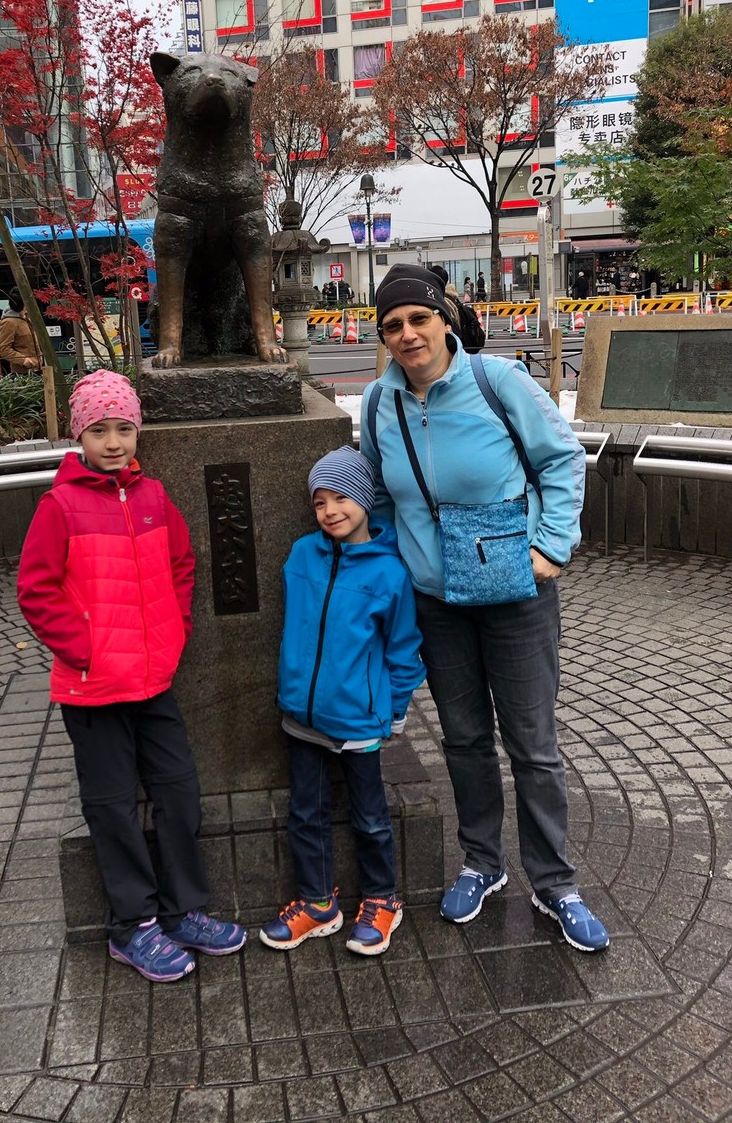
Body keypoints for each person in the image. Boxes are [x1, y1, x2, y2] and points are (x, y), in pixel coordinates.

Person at [360, 263, 609, 952]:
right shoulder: (381, 406)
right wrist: (392, 564)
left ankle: (555, 882)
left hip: (516, 593)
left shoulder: (497, 384)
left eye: (418, 319)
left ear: (444, 320)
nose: (408, 334)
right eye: (393, 326)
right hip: (437, 602)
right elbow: (380, 496)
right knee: (464, 739)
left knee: (532, 745)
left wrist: (553, 547)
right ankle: (482, 863)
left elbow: (562, 460)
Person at [17, 369, 247, 982]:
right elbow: (36, 590)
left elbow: (182, 565)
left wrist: (174, 635)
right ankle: (132, 925)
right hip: (93, 688)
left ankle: (184, 909)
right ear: (79, 436)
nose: (114, 442)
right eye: (99, 430)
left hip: (154, 681)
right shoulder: (60, 504)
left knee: (178, 792)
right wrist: (85, 651)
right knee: (113, 805)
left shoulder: (152, 497)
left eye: (123, 428)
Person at [260, 447, 425, 956]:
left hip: (358, 719)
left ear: (364, 499)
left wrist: (394, 710)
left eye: (341, 499)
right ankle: (316, 902)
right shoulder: (300, 555)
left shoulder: (389, 573)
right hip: (301, 715)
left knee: (370, 816)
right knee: (304, 812)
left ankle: (381, 899)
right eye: (320, 502)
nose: (330, 511)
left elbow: (403, 649)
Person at [0, 292, 41, 373]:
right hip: (23, 371)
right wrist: (23, 360)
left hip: (38, 366)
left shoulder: (26, 317)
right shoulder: (9, 322)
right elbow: (3, 348)